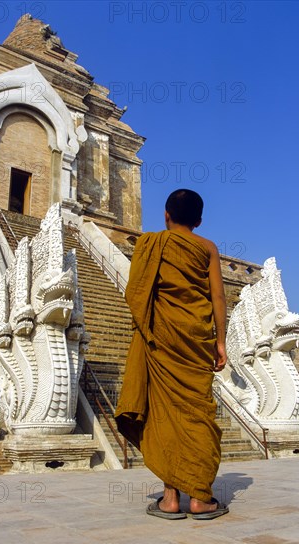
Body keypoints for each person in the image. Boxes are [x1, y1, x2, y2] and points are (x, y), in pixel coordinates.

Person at [115, 188, 229, 520]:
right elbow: (218, 298)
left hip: (160, 339)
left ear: (166, 215)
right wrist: (220, 342)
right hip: (195, 340)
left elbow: (135, 293)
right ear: (199, 220)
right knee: (196, 415)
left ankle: (170, 498)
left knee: (162, 415)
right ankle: (200, 497)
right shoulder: (207, 248)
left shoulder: (151, 244)